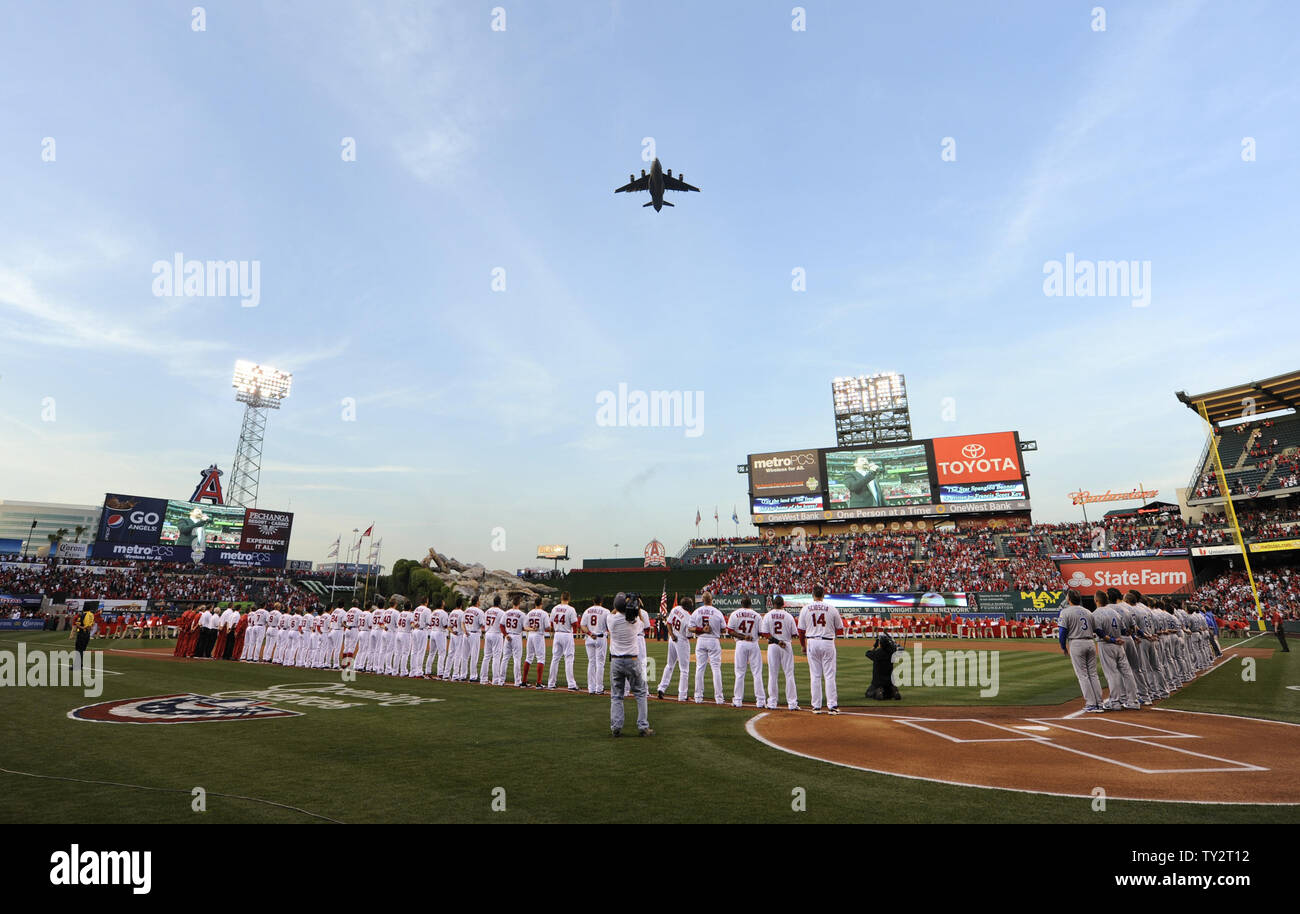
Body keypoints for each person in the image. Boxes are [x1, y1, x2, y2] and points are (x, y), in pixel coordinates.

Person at [607, 592, 653, 737]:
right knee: (640, 693)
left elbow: (614, 611)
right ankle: (643, 726)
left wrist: (622, 603)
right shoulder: (635, 623)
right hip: (632, 660)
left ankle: (616, 727)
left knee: (616, 696)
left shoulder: (611, 620)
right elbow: (642, 621)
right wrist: (636, 604)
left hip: (616, 661)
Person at [797, 584, 844, 714]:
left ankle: (816, 706)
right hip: (827, 642)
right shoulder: (832, 608)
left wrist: (803, 645)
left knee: (815, 675)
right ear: (823, 595)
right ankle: (832, 706)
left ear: (813, 595)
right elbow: (839, 630)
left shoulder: (805, 609)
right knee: (829, 675)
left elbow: (801, 631)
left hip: (812, 641)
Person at [1091, 591, 1139, 711]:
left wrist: (1112, 639)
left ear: (1097, 600)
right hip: (1120, 644)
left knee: (1112, 673)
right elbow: (1125, 631)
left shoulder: (1096, 613)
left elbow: (1099, 632)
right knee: (1127, 672)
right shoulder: (1115, 612)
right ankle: (1133, 701)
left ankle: (1115, 702)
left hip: (1107, 645)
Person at [1058, 589, 1104, 713]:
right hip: (1090, 642)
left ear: (1068, 599)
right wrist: (1109, 638)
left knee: (1083, 675)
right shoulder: (1088, 612)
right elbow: (1097, 630)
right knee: (1093, 674)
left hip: (1076, 643)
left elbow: (1062, 632)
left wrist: (1063, 647)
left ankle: (1091, 703)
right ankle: (1099, 703)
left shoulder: (1065, 612)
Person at [726, 597, 766, 708]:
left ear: (741, 604)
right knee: (757, 673)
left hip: (740, 644)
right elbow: (761, 632)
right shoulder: (757, 615)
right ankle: (760, 701)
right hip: (753, 644)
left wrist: (742, 636)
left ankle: (738, 700)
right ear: (751, 604)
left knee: (739, 673)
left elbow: (730, 631)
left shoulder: (735, 614)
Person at [761, 595, 800, 711]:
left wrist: (777, 641)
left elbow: (765, 634)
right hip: (786, 645)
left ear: (773, 604)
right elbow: (794, 634)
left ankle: (772, 702)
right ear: (783, 604)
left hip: (773, 645)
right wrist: (783, 639)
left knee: (773, 675)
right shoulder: (788, 616)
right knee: (789, 674)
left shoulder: (768, 615)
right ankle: (792, 703)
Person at [690, 593, 726, 705]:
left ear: (702, 600)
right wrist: (714, 629)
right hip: (713, 640)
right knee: (716, 669)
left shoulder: (697, 611)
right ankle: (719, 698)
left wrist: (702, 629)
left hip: (701, 640)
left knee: (700, 668)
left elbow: (690, 628)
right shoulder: (717, 612)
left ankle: (698, 697)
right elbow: (724, 630)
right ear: (712, 600)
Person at [656, 596, 693, 702]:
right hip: (681, 640)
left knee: (669, 665)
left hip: (672, 638)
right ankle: (682, 695)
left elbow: (668, 623)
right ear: (687, 606)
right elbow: (689, 635)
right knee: (684, 669)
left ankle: (661, 688)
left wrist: (671, 635)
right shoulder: (688, 617)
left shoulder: (675, 609)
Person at [547, 592, 580, 690]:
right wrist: (574, 631)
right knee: (569, 659)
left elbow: (551, 624)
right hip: (566, 634)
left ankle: (551, 683)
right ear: (569, 599)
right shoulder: (571, 609)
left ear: (561, 598)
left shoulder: (554, 608)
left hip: (557, 634)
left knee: (555, 659)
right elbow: (575, 624)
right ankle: (571, 684)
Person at [522, 596, 551, 688]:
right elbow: (547, 627)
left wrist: (532, 629)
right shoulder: (544, 613)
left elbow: (525, 627)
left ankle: (524, 682)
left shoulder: (530, 613)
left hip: (530, 635)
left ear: (535, 603)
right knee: (541, 658)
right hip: (538, 635)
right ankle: (538, 683)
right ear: (541, 604)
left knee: (529, 657)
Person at [582, 596, 608, 694]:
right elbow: (609, 626)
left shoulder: (587, 611)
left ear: (593, 601)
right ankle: (599, 688)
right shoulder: (605, 611)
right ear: (601, 602)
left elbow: (582, 626)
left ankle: (591, 688)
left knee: (591, 663)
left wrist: (589, 633)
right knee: (600, 663)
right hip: (600, 638)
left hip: (589, 638)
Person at [479, 596, 506, 684]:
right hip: (497, 634)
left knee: (486, 657)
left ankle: (483, 679)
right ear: (499, 603)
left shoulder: (487, 611)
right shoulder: (501, 612)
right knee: (496, 657)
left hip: (488, 633)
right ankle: (495, 679)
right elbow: (503, 624)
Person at [501, 596, 527, 686]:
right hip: (516, 636)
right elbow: (524, 627)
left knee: (505, 659)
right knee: (517, 659)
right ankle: (517, 681)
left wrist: (505, 635)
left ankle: (501, 680)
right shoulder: (522, 614)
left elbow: (501, 625)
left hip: (508, 636)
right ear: (519, 604)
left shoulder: (506, 613)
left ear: (513, 603)